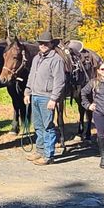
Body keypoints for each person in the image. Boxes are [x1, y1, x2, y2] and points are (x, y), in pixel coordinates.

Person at [23, 30, 66, 166]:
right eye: (41, 43)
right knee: (38, 126)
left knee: (48, 127)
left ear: (51, 44)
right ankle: (40, 151)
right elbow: (31, 76)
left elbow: (60, 81)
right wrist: (27, 91)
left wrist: (53, 99)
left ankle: (48, 156)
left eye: (45, 43)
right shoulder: (36, 58)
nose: (42, 45)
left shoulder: (56, 60)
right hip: (35, 95)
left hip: (47, 97)